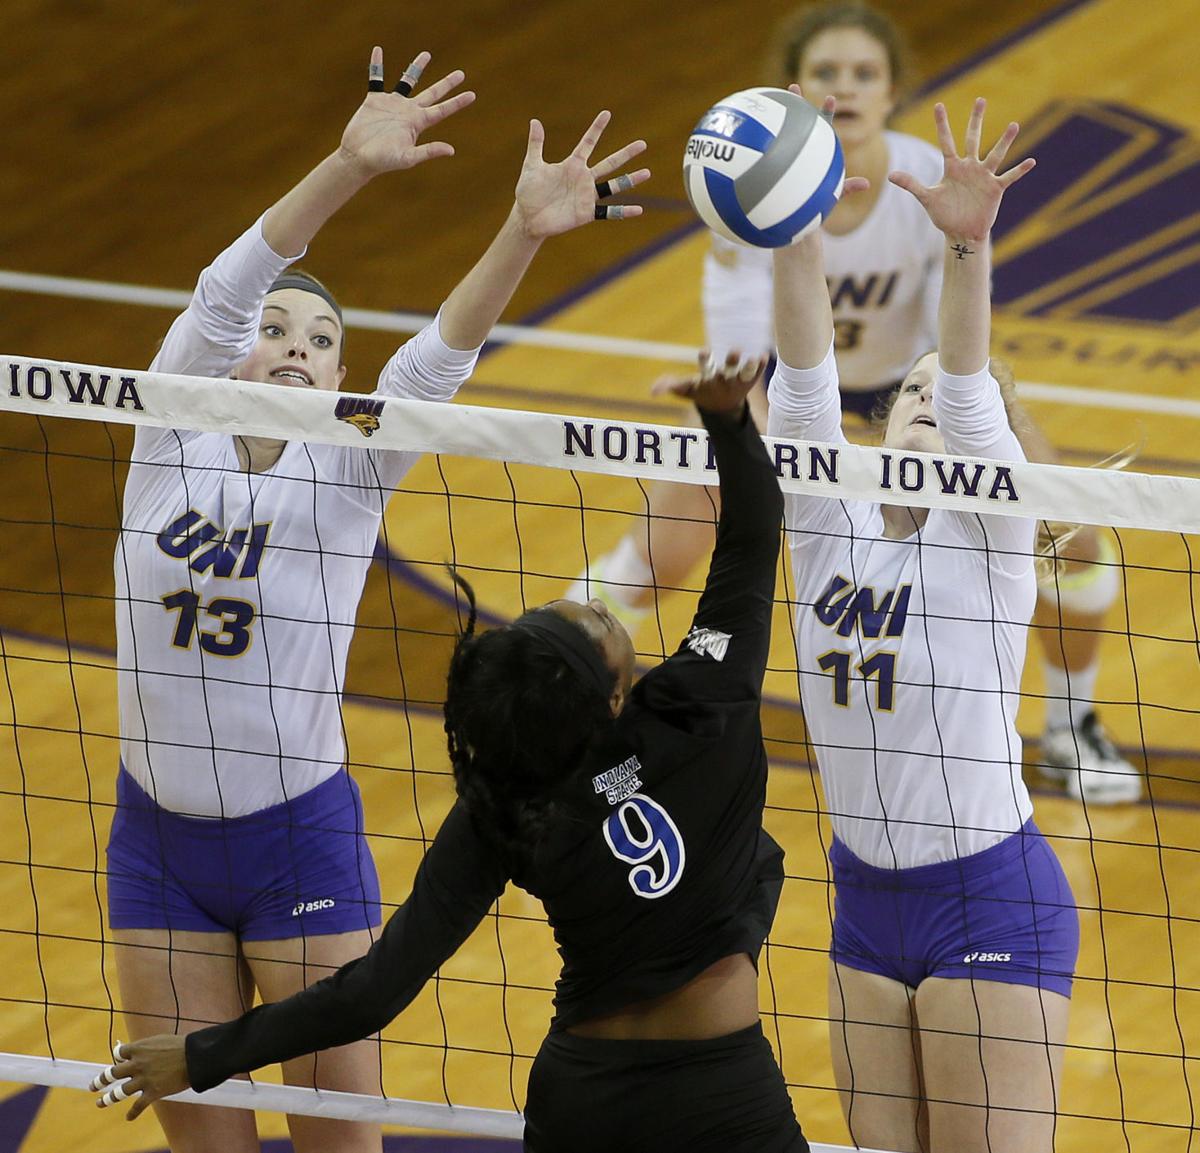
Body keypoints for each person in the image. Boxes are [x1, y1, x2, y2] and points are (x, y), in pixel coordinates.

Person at [105, 44, 650, 1153]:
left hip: (296, 843)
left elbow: (437, 362)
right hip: (154, 843)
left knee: (339, 1147)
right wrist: (347, 166)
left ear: (343, 375)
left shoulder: (351, 468)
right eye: (278, 330)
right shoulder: (168, 434)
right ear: (231, 357)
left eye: (323, 340)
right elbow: (219, 296)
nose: (297, 346)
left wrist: (523, 233)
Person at [91, 353, 808, 1152]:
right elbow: (750, 536)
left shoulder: (505, 800)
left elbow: (371, 991)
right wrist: (729, 423)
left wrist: (205, 1053)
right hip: (723, 1089)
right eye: (592, 624)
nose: (591, 606)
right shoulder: (698, 710)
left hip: (584, 1097)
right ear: (614, 698)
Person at [574, 0, 1141, 804]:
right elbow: (741, 369)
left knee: (1072, 535)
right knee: (662, 549)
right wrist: (783, 466)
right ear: (795, 89)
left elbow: (954, 344)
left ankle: (1071, 727)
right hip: (793, 400)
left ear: (894, 89)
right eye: (826, 73)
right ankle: (560, 699)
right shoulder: (749, 204)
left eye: (864, 73)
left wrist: (935, 429)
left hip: (914, 395)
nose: (845, 88)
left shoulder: (926, 181)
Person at [768, 94, 1080, 1153]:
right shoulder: (828, 525)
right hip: (864, 904)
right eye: (912, 392)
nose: (933, 404)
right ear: (881, 424)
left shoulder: (986, 538)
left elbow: (969, 384)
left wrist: (962, 245)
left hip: (988, 896)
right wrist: (794, 231)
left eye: (950, 401)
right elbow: (802, 391)